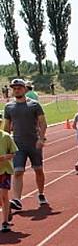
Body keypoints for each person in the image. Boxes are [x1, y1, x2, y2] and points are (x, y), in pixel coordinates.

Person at [3, 77, 48, 210]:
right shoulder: (8, 107)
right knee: (18, 171)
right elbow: (6, 127)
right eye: (14, 88)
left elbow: (43, 123)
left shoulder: (34, 105)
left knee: (38, 169)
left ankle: (40, 193)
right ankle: (16, 199)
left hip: (34, 144)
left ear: (24, 89)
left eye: (19, 88)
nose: (16, 90)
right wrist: (6, 145)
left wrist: (41, 138)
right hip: (18, 145)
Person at [0, 126, 17, 232]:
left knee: (3, 195)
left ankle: (5, 222)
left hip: (4, 170)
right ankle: (8, 206)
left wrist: (5, 157)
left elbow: (13, 153)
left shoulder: (6, 137)